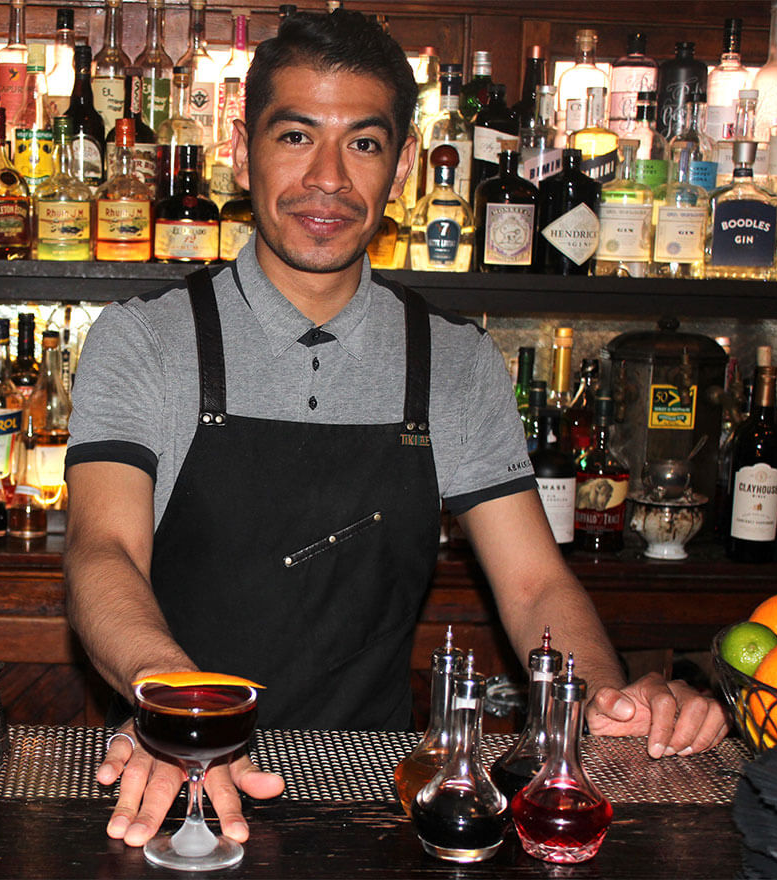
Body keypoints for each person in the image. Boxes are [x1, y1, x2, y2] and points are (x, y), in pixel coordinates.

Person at [63, 10, 728, 850]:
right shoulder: (147, 340)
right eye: (296, 136)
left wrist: (598, 702)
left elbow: (533, 587)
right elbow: (101, 553)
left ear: (406, 165)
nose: (328, 179)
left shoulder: (452, 360)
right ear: (241, 149)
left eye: (365, 145)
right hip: (172, 774)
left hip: (373, 795)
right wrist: (185, 710)